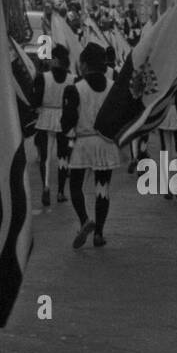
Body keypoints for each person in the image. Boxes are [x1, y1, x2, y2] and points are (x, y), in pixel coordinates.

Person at [61, 42, 122, 249]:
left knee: (75, 186)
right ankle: (99, 233)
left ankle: (84, 220)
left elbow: (66, 122)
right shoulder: (114, 88)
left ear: (85, 64)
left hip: (83, 143)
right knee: (102, 189)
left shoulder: (75, 88)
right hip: (106, 143)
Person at [30, 44, 72, 208]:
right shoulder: (71, 78)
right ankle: (61, 191)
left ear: (55, 59)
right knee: (63, 157)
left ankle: (46, 187)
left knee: (46, 157)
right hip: (63, 119)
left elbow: (35, 100)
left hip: (45, 119)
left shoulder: (43, 77)